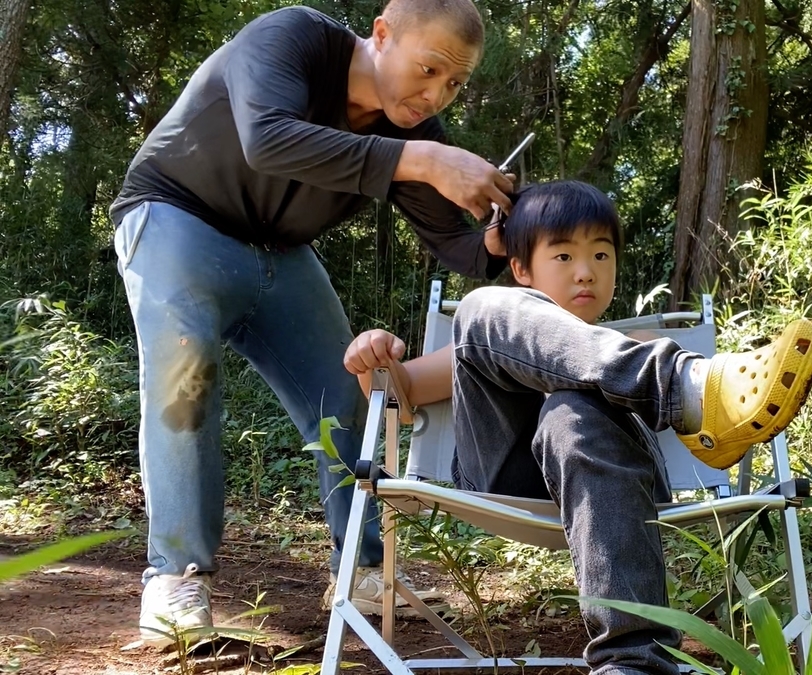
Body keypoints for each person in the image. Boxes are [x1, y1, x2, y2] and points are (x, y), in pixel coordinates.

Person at [109, 0, 514, 646]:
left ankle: (359, 569)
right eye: (429, 68)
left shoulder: (414, 134)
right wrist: (423, 161)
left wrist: (494, 243)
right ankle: (175, 579)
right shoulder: (292, 37)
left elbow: (455, 245)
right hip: (177, 213)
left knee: (350, 384)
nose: (435, 95)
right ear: (382, 34)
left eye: (454, 84)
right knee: (184, 375)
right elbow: (265, 138)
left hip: (280, 252)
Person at [344, 180, 812, 674]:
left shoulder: (636, 339)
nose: (585, 272)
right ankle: (680, 389)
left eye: (601, 255)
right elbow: (398, 393)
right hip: (506, 480)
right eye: (563, 257)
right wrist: (372, 358)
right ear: (521, 268)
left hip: (616, 486)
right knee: (478, 308)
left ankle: (631, 664)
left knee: (573, 410)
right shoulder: (488, 330)